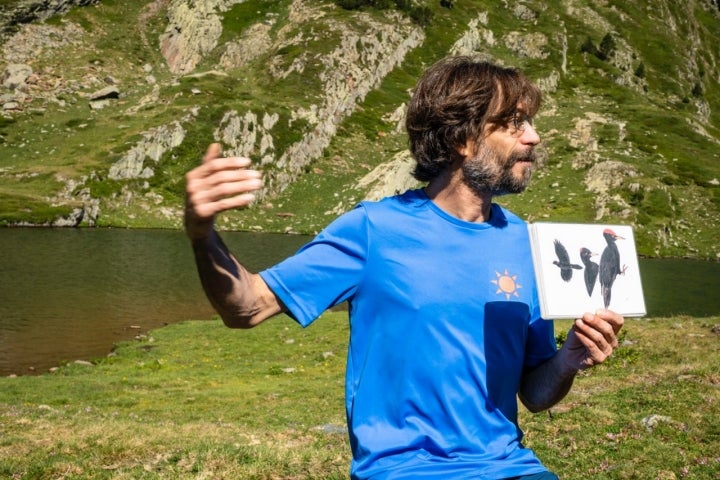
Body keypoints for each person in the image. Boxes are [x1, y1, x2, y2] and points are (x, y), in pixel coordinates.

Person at [184, 56, 624, 480]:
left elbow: (534, 392)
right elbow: (246, 307)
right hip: (403, 470)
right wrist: (202, 234)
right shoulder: (374, 229)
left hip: (511, 467)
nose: (534, 137)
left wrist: (567, 361)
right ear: (461, 138)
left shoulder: (527, 244)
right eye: (514, 123)